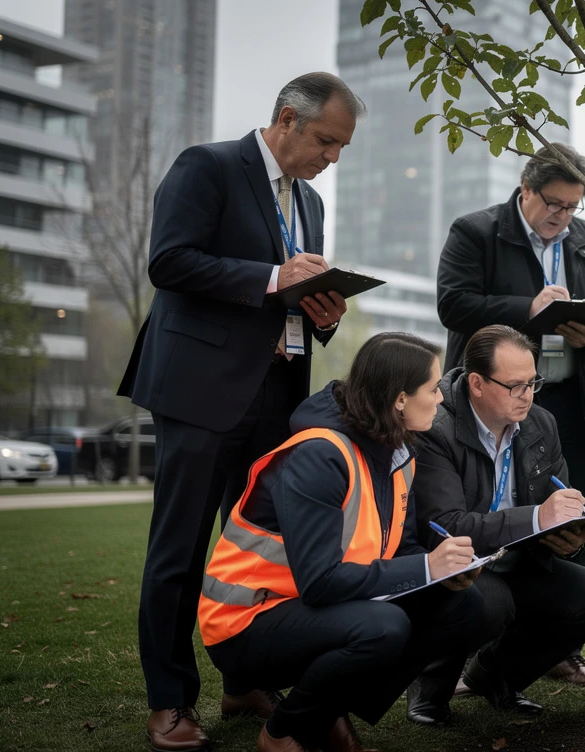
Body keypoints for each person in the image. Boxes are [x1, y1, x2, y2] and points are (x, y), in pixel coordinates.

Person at [117, 72, 363, 750]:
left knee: (262, 555)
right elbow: (169, 261)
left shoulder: (309, 202)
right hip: (199, 392)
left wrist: (324, 310)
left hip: (277, 398)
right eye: (326, 141)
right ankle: (170, 700)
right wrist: (271, 278)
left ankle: (246, 682)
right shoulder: (209, 166)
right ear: (287, 118)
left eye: (342, 146)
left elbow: (293, 300)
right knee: (181, 551)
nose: (332, 158)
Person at [197, 333, 485, 752]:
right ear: (399, 400)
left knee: (463, 604)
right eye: (433, 388)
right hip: (245, 622)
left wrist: (443, 569)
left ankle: (325, 707)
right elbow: (319, 581)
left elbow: (398, 550)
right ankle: (285, 732)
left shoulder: (398, 450)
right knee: (384, 628)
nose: (441, 399)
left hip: (312, 608)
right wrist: (427, 567)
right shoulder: (321, 455)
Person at [437, 143, 585, 685]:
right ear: (525, 190)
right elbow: (453, 303)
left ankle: (556, 647)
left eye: (573, 206)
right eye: (554, 204)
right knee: (482, 512)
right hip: (488, 400)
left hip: (563, 399)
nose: (562, 217)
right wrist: (529, 311)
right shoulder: (476, 230)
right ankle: (465, 644)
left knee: (569, 516)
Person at [411, 325, 585, 716]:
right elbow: (446, 524)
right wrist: (536, 517)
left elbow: (558, 505)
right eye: (515, 385)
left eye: (533, 382)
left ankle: (496, 677)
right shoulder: (436, 426)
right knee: (491, 602)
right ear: (476, 383)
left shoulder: (541, 423)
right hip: (458, 563)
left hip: (522, 558)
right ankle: (430, 688)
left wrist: (570, 533)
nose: (527, 395)